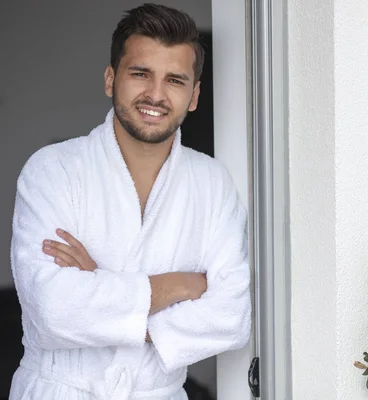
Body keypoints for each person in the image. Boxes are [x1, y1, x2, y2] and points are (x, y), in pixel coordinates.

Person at [8, 4, 251, 399]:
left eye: (175, 80)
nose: (155, 94)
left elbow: (230, 317)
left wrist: (99, 287)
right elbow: (53, 312)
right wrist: (180, 285)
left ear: (194, 95)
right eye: (141, 74)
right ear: (110, 79)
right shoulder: (53, 171)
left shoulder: (211, 182)